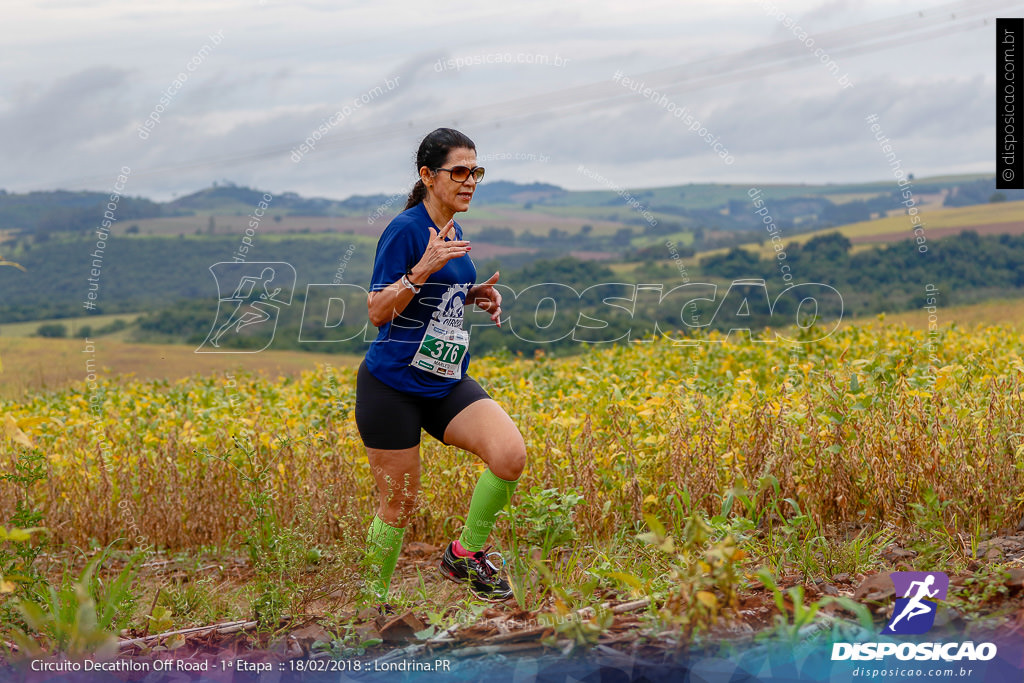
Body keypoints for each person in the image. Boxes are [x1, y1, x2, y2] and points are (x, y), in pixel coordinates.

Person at [354, 127, 527, 604]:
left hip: (444, 379)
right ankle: (372, 607)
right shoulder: (406, 230)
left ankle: (464, 556)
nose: (470, 180)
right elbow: (377, 310)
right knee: (399, 504)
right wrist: (421, 269)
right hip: (392, 386)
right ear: (428, 176)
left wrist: (472, 295)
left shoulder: (453, 227)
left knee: (509, 456)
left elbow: (432, 298)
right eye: (460, 171)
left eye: (476, 171)